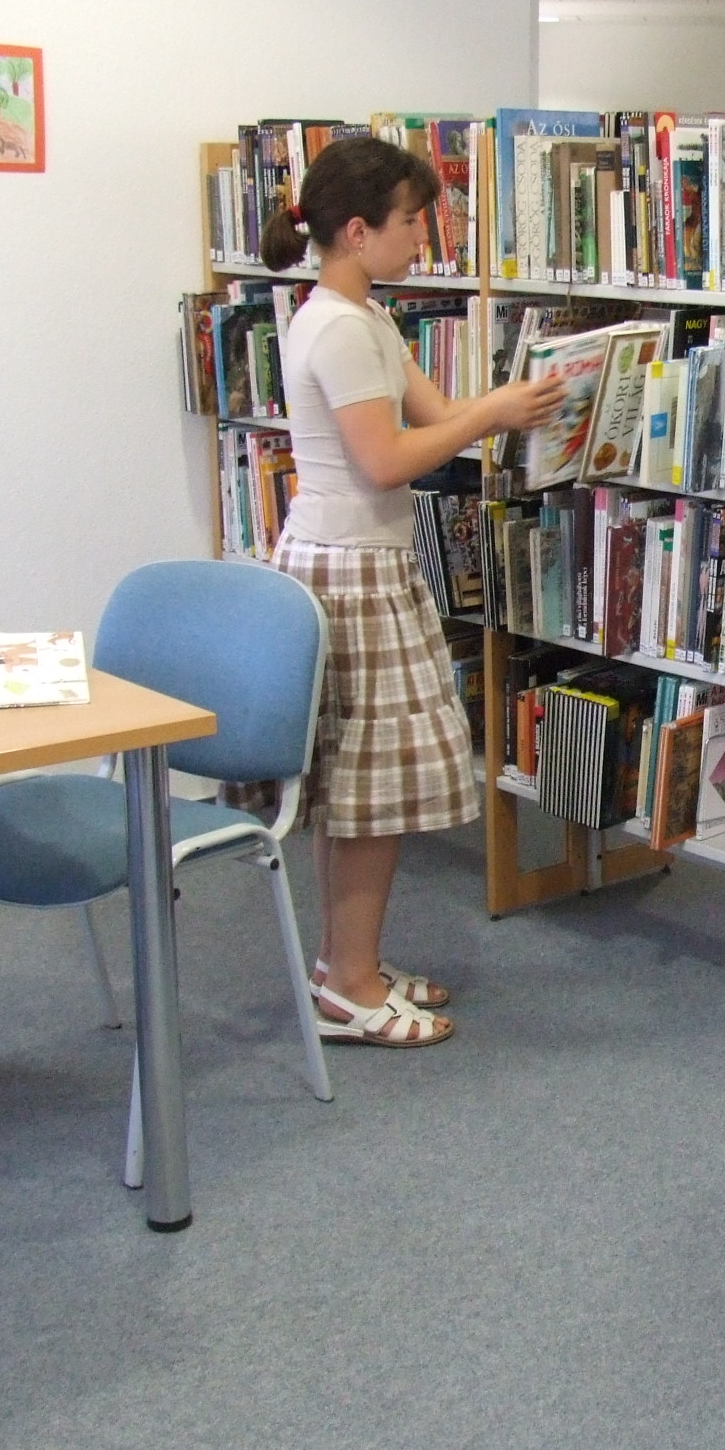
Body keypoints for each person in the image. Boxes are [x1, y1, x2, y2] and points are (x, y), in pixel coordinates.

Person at [259, 138, 563, 1045]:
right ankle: (352, 986)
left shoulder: (361, 318)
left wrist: (514, 404)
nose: (424, 236)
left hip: (358, 561)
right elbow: (388, 460)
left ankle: (342, 964)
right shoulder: (343, 329)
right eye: (411, 220)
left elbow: (439, 417)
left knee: (356, 789)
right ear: (358, 231)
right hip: (349, 569)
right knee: (368, 793)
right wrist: (492, 412)